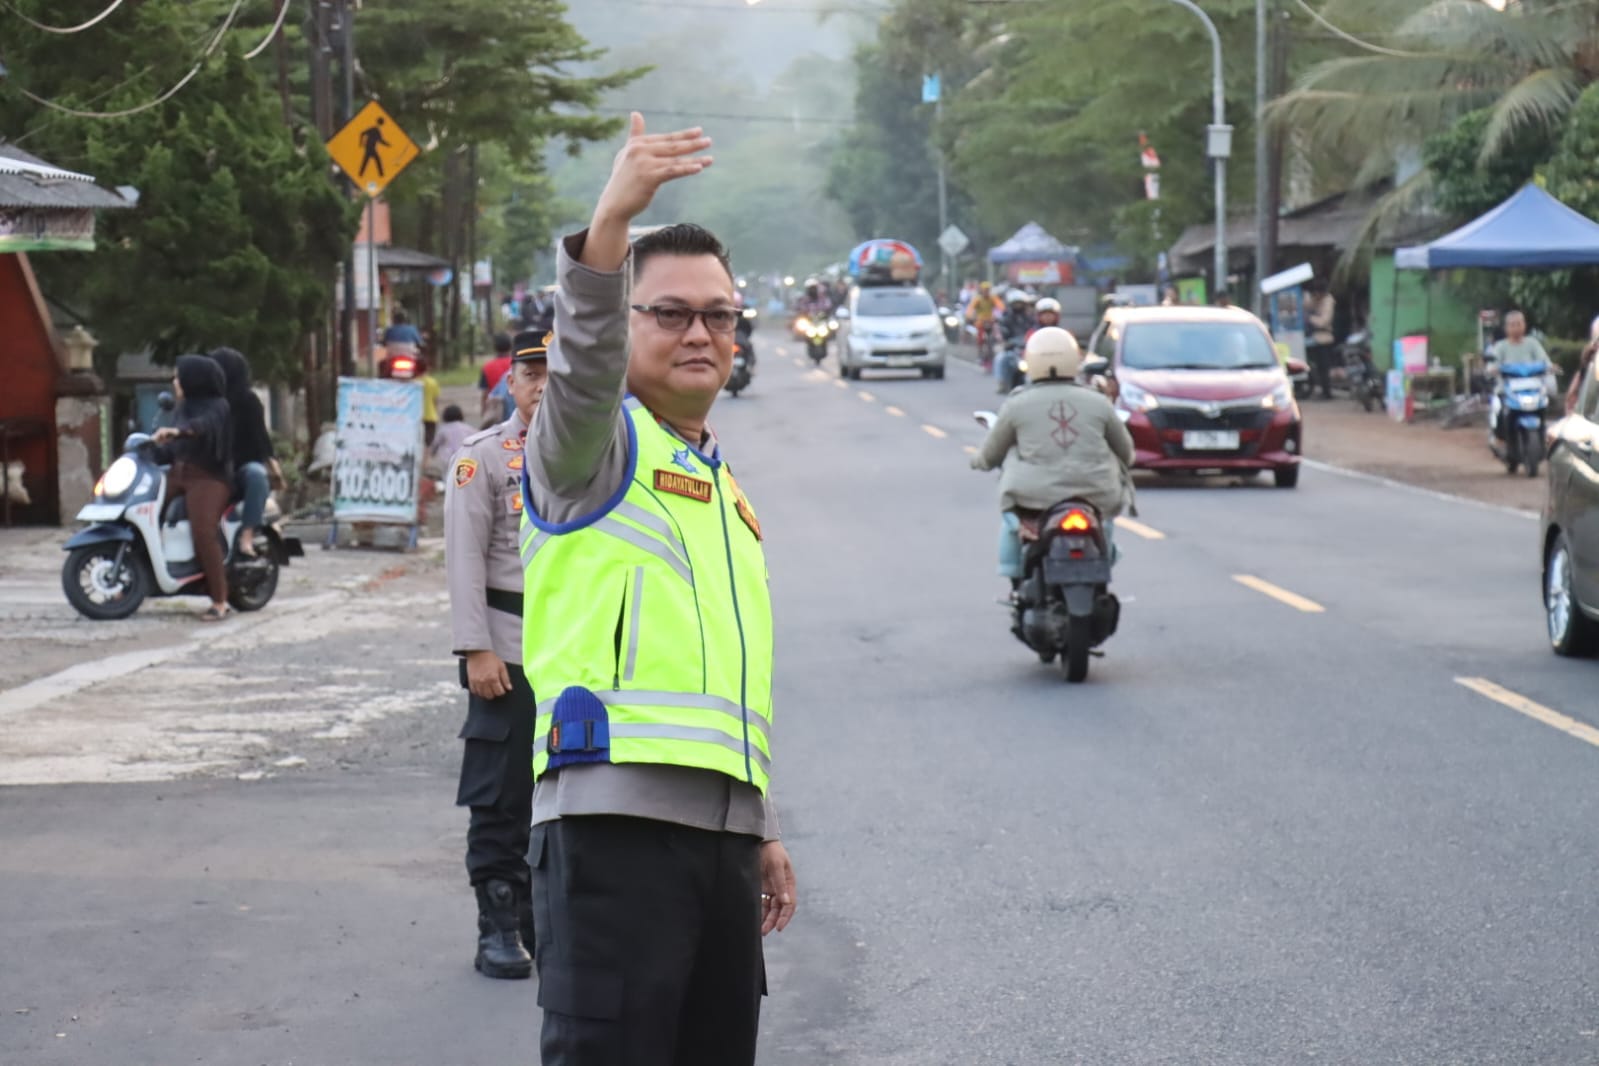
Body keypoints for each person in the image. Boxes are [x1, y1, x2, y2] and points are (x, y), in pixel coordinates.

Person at [519, 113, 795, 1065]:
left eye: (718, 314)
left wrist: (758, 825)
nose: (699, 332)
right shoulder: (591, 449)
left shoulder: (723, 487)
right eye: (669, 311)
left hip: (718, 840)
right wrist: (609, 229)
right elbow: (583, 369)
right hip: (610, 830)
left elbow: (729, 684)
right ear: (624, 321)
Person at [444, 330, 550, 980]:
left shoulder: (597, 456)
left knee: (569, 792)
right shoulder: (482, 457)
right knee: (501, 795)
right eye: (530, 373)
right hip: (505, 649)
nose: (541, 385)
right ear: (510, 383)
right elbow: (462, 558)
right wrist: (476, 648)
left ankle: (550, 923)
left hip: (576, 654)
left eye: (554, 373)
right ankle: (499, 925)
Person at [970, 327, 1134, 601]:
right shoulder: (1098, 402)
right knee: (1105, 523)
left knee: (1012, 523)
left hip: (1034, 498)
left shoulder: (1017, 404)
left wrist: (978, 461)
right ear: (1074, 359)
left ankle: (1014, 581)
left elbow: (990, 456)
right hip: (1095, 494)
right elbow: (1127, 454)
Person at [151, 355, 234, 621]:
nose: (175, 382)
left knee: (202, 530)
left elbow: (202, 427)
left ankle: (220, 599)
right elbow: (172, 450)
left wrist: (180, 432)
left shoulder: (218, 407)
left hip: (209, 477)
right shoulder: (181, 407)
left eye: (179, 377)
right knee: (146, 514)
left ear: (194, 380)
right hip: (178, 474)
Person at [208, 347, 282, 559]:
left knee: (256, 475)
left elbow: (261, 438)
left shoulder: (248, 401)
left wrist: (273, 466)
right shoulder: (207, 402)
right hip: (211, 466)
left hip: (240, 467)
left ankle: (247, 536)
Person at [1490, 310, 1557, 436]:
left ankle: (1542, 435)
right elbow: (1493, 364)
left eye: (1519, 324)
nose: (1516, 328)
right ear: (1506, 328)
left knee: (1544, 404)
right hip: (1507, 388)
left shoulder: (1532, 343)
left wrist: (1550, 366)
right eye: (1512, 324)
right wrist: (1493, 369)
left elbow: (1543, 360)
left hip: (1531, 386)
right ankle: (1500, 436)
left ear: (1524, 325)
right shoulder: (1500, 346)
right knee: (1499, 408)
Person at [1305, 282, 1337, 400]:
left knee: (1324, 367)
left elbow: (1324, 321)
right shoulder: (1315, 300)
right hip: (1315, 338)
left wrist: (1310, 318)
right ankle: (1321, 389)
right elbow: (1306, 305)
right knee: (1318, 367)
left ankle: (1327, 392)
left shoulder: (1328, 301)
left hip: (1324, 339)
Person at [966, 281, 1005, 368]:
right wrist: (970, 316)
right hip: (981, 322)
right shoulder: (978, 299)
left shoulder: (992, 298)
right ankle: (980, 355)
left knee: (995, 336)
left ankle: (993, 354)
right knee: (980, 339)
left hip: (991, 321)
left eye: (988, 290)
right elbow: (970, 309)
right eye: (985, 290)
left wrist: (999, 314)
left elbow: (1001, 306)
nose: (986, 292)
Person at [479, 334, 514, 423]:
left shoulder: (487, 367)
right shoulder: (516, 364)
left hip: (496, 410)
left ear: (495, 348)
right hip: (515, 406)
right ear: (510, 346)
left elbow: (485, 393)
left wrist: (484, 411)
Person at [417, 357, 441, 446]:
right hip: (430, 415)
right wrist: (436, 413)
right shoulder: (432, 382)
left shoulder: (413, 382)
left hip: (415, 417)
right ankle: (426, 460)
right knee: (428, 443)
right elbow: (435, 401)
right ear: (427, 368)